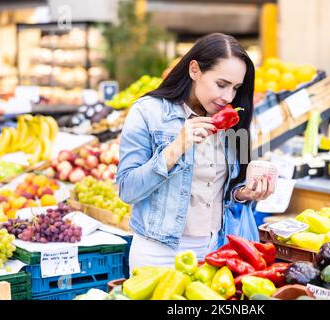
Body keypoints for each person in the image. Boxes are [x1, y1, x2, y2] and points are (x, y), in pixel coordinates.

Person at [117, 33, 275, 273]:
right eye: (221, 84)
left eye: (236, 88)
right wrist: (176, 147)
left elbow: (224, 191)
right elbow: (127, 190)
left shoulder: (232, 120)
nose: (228, 97)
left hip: (215, 250)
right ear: (194, 70)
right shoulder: (147, 112)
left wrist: (244, 193)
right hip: (158, 255)